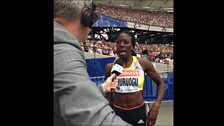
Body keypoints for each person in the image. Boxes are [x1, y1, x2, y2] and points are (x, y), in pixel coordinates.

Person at [54, 0, 131, 125]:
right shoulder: (62, 49)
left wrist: (102, 88)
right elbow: (93, 118)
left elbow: (68, 95)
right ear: (87, 16)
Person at [104, 31, 165, 126]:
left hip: (138, 112)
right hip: (117, 112)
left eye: (125, 42)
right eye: (118, 42)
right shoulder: (109, 67)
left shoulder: (142, 64)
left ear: (132, 46)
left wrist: (156, 106)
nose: (121, 45)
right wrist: (108, 107)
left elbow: (160, 83)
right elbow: (107, 91)